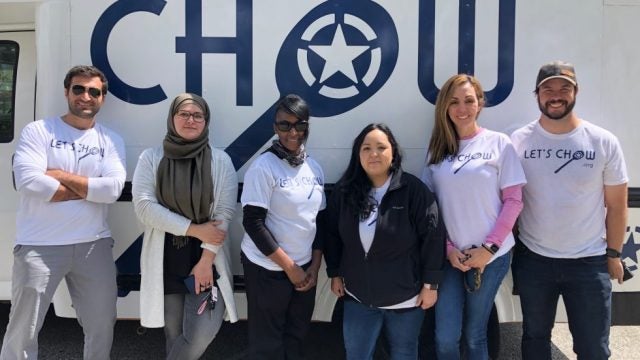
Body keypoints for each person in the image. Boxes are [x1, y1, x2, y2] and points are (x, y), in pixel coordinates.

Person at [0, 65, 126, 360]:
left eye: (94, 91)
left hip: (93, 245)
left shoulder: (110, 140)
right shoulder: (39, 131)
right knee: (23, 330)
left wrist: (59, 175)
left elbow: (111, 191)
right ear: (67, 92)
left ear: (102, 98)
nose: (86, 96)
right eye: (79, 89)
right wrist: (89, 190)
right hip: (39, 246)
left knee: (102, 324)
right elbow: (30, 182)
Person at [510, 61, 628, 359]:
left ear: (576, 92)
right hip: (534, 260)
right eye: (548, 89)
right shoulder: (518, 142)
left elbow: (616, 205)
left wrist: (613, 254)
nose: (556, 95)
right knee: (535, 341)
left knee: (593, 349)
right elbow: (508, 200)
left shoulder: (603, 141)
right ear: (536, 94)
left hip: (588, 264)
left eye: (564, 88)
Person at [421, 74, 526, 360]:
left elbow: (514, 201)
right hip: (450, 258)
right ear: (444, 107)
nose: (462, 108)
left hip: (490, 257)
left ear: (480, 103)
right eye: (453, 101)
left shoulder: (499, 144)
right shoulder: (437, 149)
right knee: (445, 338)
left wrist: (488, 249)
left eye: (469, 100)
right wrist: (448, 250)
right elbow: (428, 210)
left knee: (475, 334)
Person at [324, 123, 445, 360]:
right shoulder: (345, 191)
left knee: (404, 353)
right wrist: (335, 272)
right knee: (357, 355)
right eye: (366, 148)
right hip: (359, 297)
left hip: (405, 299)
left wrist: (431, 285)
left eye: (381, 147)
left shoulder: (414, 191)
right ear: (358, 155)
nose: (373, 154)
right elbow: (331, 234)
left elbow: (434, 237)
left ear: (394, 153)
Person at [131, 93, 238, 359]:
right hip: (167, 261)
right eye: (184, 114)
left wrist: (205, 262)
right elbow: (144, 208)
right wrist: (194, 228)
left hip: (206, 261)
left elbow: (224, 214)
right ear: (172, 118)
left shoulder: (221, 161)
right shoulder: (151, 158)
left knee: (198, 336)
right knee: (173, 334)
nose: (191, 120)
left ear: (206, 121)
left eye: (197, 115)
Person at [240, 94, 325, 359]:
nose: (292, 132)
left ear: (307, 127)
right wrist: (290, 268)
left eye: (299, 125)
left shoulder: (314, 167)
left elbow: (319, 221)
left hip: (304, 270)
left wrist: (313, 266)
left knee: (296, 337)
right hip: (268, 269)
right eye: (284, 125)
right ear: (275, 127)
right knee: (267, 345)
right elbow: (253, 223)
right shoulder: (264, 166)